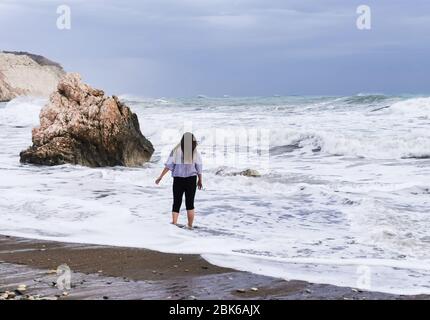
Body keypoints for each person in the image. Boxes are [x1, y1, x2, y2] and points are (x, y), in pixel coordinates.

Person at [155, 132, 203, 228]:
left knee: (177, 201)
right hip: (191, 180)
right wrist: (200, 180)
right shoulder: (195, 152)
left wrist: (160, 176)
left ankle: (174, 223)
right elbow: (199, 168)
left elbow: (169, 166)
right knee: (190, 203)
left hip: (178, 180)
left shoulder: (176, 151)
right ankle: (190, 226)